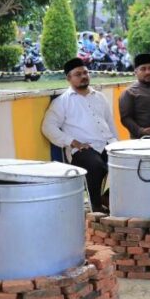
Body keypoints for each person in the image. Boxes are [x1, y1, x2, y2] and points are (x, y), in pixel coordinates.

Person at [42, 58, 118, 212]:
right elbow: (48, 127)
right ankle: (96, 206)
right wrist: (72, 142)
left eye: (85, 73)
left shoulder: (99, 97)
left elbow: (110, 123)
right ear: (68, 78)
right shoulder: (62, 102)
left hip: (107, 144)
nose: (83, 76)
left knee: (130, 162)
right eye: (78, 74)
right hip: (83, 149)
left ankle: (107, 197)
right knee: (96, 165)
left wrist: (117, 144)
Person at [118, 53, 150, 139]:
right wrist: (140, 131)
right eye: (143, 69)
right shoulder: (129, 92)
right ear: (136, 72)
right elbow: (126, 118)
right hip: (143, 141)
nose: (148, 72)